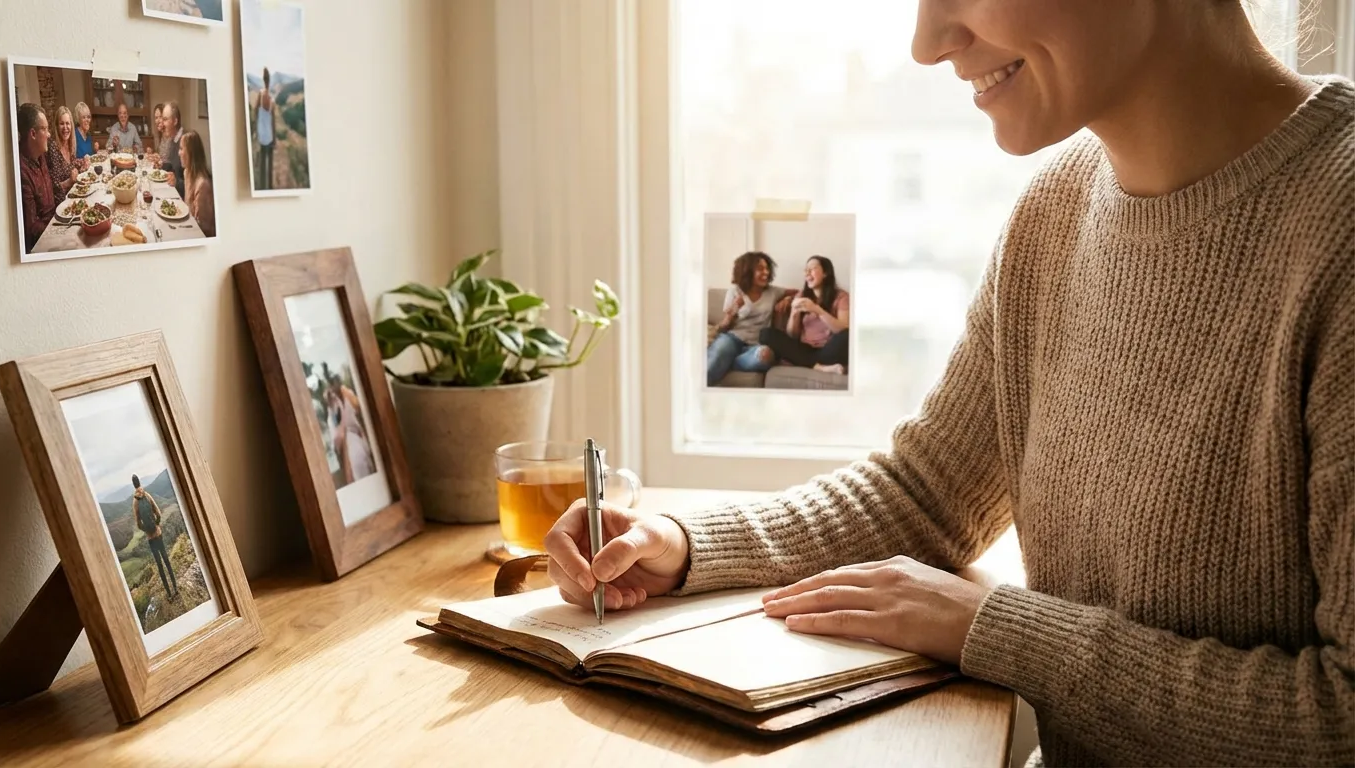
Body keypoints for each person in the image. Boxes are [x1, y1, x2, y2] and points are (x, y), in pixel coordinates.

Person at [543, 2, 1355, 765]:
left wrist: (996, 629)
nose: (927, 42)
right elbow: (928, 494)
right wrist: (682, 545)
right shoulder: (1059, 206)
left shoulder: (1339, 229)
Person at [705, 251, 788, 386]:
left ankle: (730, 362)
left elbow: (798, 292)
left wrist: (787, 299)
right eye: (760, 269)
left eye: (767, 268)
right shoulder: (735, 291)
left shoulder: (773, 292)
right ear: (747, 271)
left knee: (766, 356)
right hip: (733, 338)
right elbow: (725, 326)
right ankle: (695, 394)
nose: (766, 272)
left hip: (756, 344)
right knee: (717, 356)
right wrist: (732, 312)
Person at [760, 256, 850, 375]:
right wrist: (794, 314)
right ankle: (819, 367)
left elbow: (842, 330)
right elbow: (793, 334)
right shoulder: (801, 295)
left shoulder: (841, 297)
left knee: (848, 335)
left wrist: (817, 310)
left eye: (812, 269)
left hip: (828, 350)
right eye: (805, 270)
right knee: (765, 334)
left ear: (825, 273)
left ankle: (808, 363)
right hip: (804, 349)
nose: (807, 273)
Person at [16, 103, 58, 252]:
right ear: (33, 134)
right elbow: (32, 228)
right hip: (42, 244)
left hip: (55, 224)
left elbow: (53, 191)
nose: (49, 134)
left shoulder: (41, 156)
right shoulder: (21, 172)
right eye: (45, 129)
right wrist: (60, 229)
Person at [131, 474, 177, 600]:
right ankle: (176, 588)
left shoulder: (135, 501)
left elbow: (138, 523)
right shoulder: (147, 495)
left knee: (160, 565)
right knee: (166, 560)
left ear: (133, 485)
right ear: (139, 482)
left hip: (151, 538)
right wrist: (156, 525)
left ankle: (169, 594)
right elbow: (158, 513)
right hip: (158, 534)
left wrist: (147, 530)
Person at [325, 372, 375, 483]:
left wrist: (345, 394)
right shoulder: (332, 414)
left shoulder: (348, 396)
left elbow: (359, 408)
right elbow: (337, 440)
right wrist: (341, 416)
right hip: (350, 449)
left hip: (360, 441)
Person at [178, 129, 215, 238]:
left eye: (181, 149)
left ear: (191, 153)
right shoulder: (187, 172)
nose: (178, 153)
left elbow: (205, 228)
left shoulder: (202, 184)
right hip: (187, 226)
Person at [45, 105, 79, 201]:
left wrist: (82, 165)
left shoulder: (69, 144)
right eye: (61, 124)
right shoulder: (53, 147)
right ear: (56, 126)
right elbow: (53, 188)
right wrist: (69, 181)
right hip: (61, 200)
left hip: (73, 193)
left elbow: (71, 167)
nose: (65, 128)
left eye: (67, 123)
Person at [254, 67, 276, 190]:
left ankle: (263, 188)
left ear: (263, 79)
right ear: (270, 81)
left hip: (262, 135)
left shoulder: (260, 95)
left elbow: (255, 111)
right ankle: (270, 187)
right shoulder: (272, 99)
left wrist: (255, 127)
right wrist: (275, 139)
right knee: (270, 165)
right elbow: (273, 122)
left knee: (262, 164)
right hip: (269, 136)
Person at [159, 101, 186, 199]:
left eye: (165, 120)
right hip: (173, 193)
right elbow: (173, 167)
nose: (162, 124)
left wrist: (177, 183)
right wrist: (161, 165)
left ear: (175, 121)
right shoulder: (173, 139)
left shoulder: (185, 141)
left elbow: (195, 185)